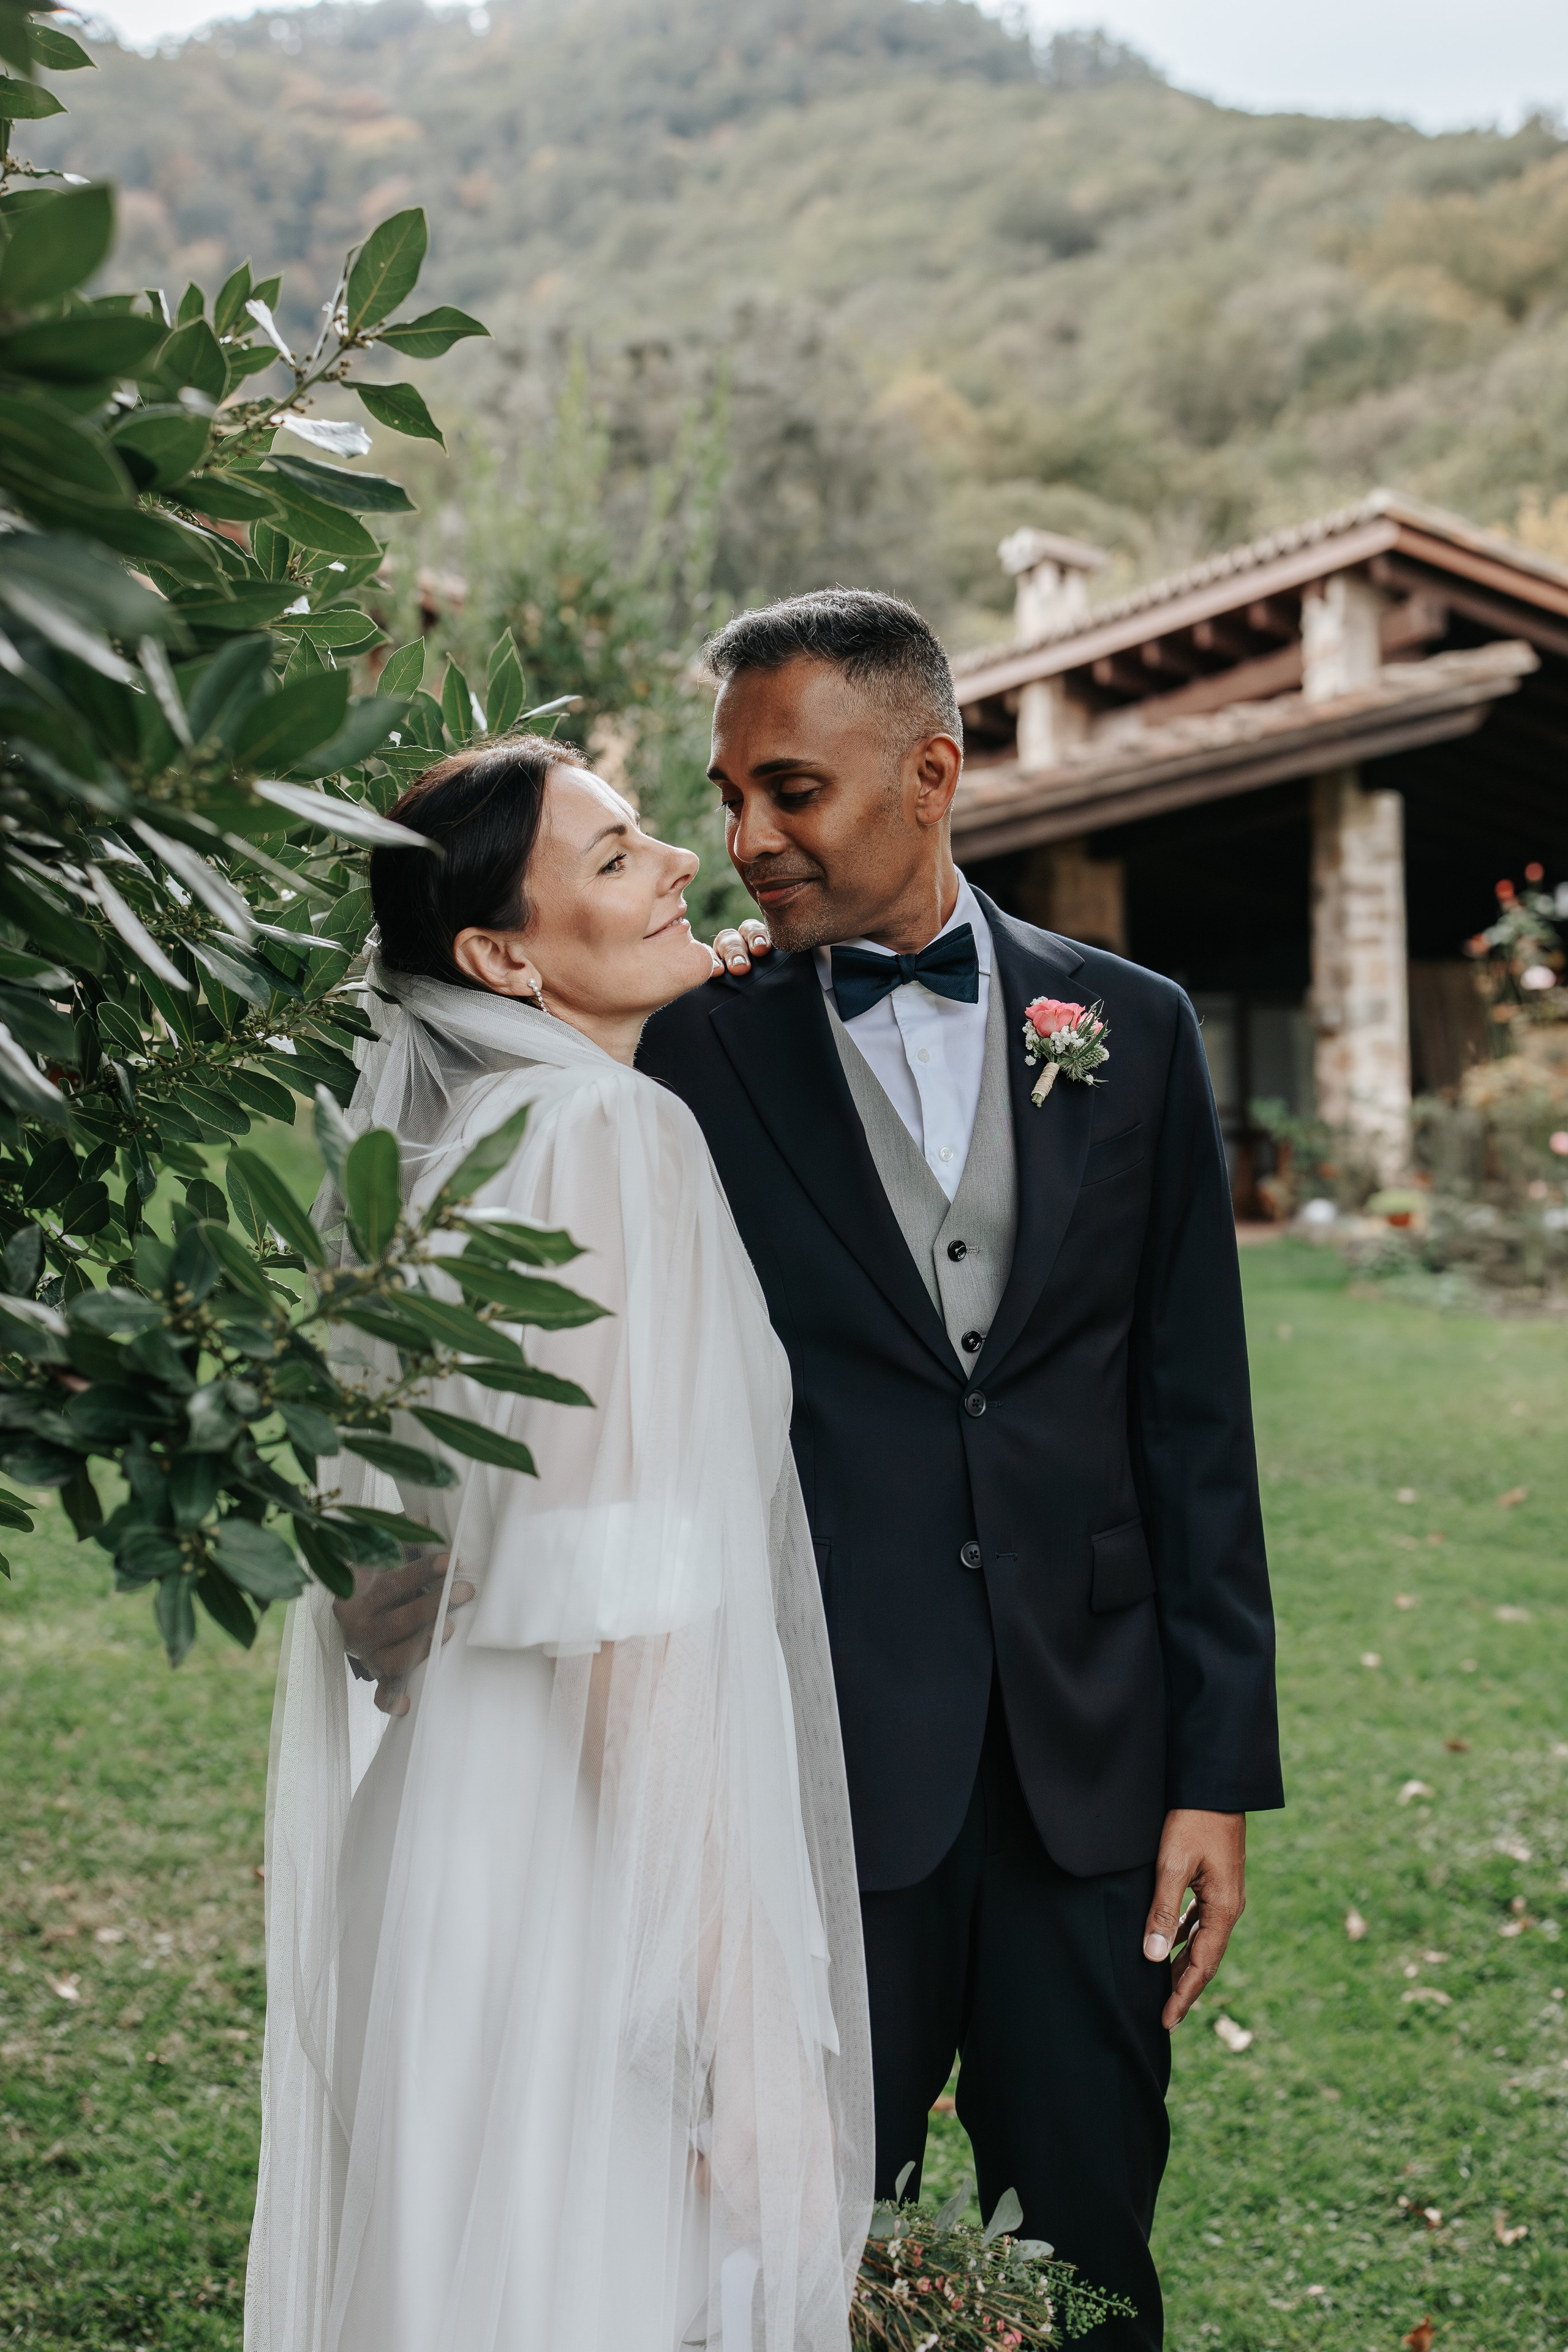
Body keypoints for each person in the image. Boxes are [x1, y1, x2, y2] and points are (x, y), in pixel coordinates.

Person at [636, 592, 1284, 2348]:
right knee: (799, 2249)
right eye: (726, 797)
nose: (746, 839)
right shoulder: (689, 1052)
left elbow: (1193, 1424)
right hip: (818, 1763)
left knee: (1085, 2251)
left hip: (1095, 1764)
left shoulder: (1129, 1028)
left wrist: (1214, 1775)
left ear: (931, 772)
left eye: (791, 791)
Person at [246, 736, 873, 2352]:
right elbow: (619, 1618)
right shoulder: (606, 1141)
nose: (681, 861)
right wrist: (742, 2032)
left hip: (455, 1829)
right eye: (615, 858)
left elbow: (395, 1571)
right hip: (584, 1883)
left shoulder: (453, 1166)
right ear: (502, 957)